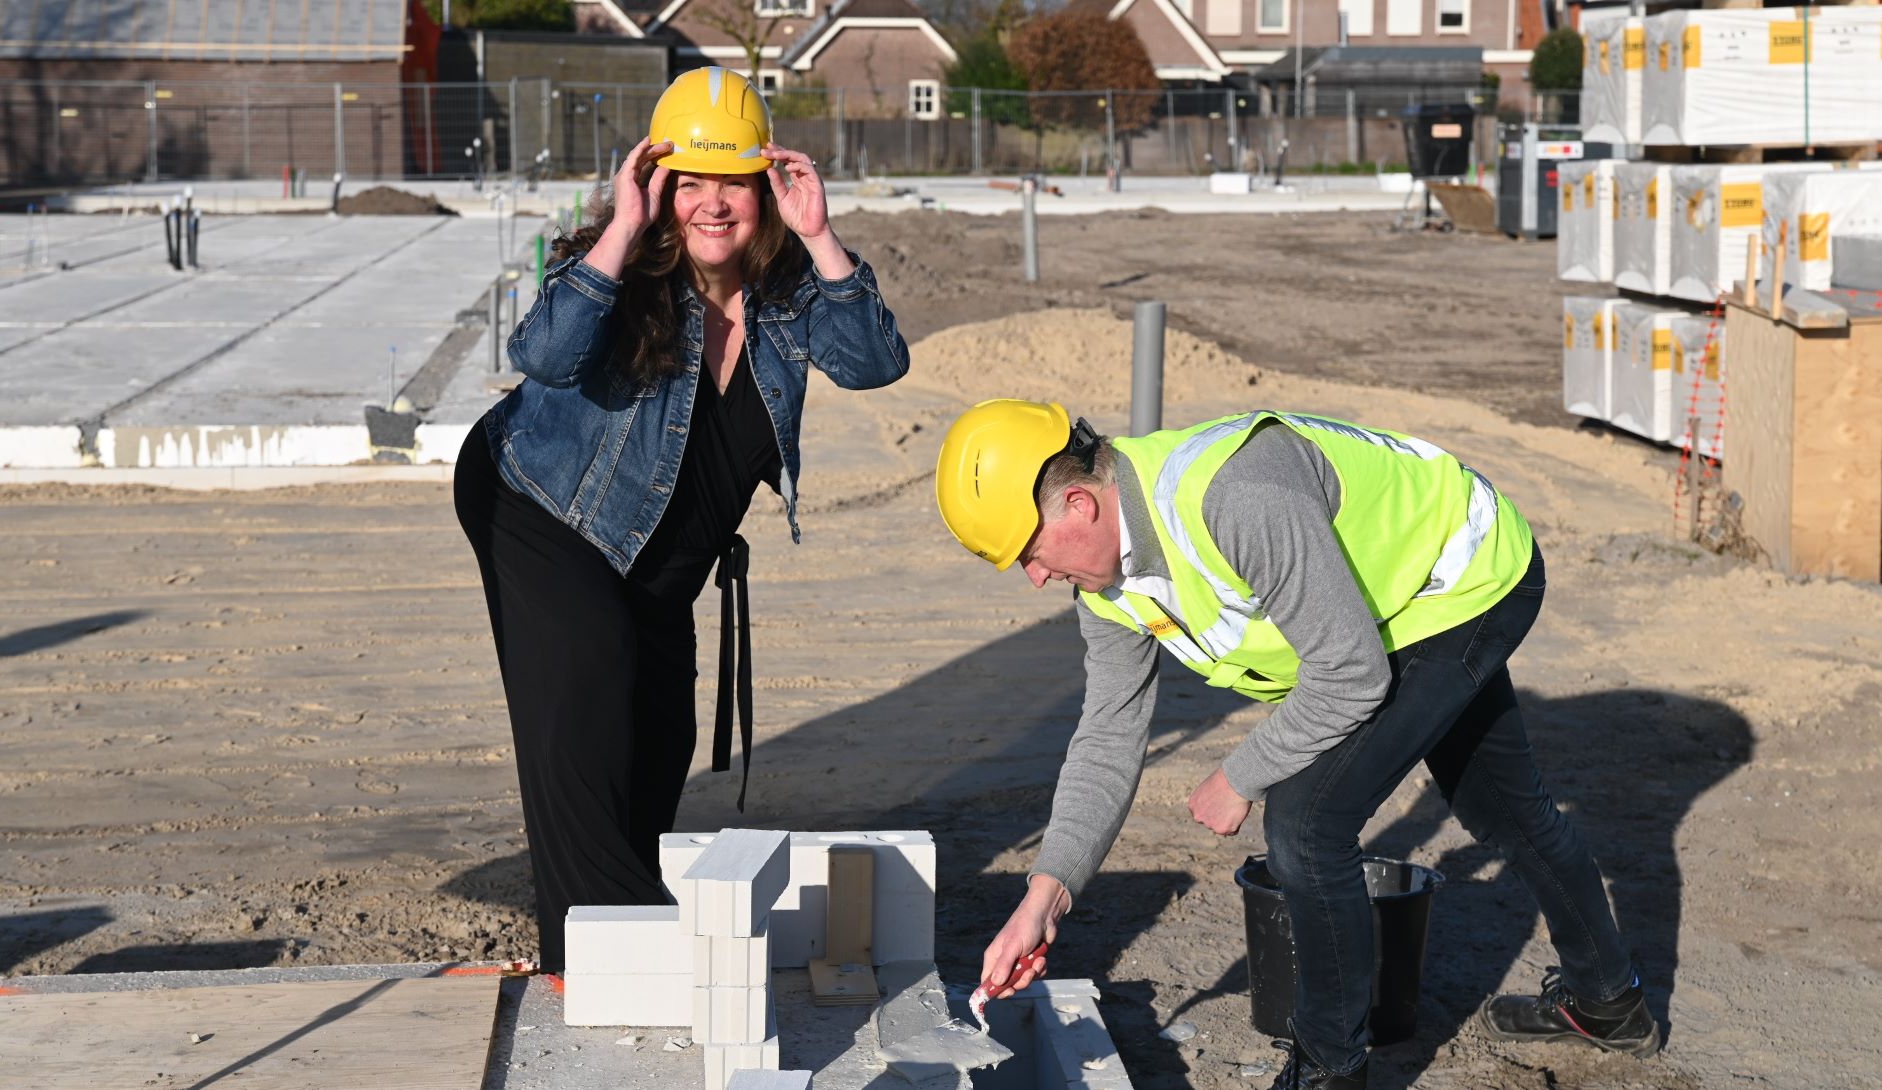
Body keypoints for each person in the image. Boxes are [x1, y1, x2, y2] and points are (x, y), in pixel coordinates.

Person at [933, 401, 1657, 1089]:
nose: (1034, 577)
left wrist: (1239, 775)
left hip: (1462, 581)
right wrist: (1047, 893)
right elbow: (1108, 735)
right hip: (1382, 616)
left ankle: (1330, 1068)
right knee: (1502, 807)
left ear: (1079, 506)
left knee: (1307, 825)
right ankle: (1607, 1001)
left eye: (1027, 552)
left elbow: (1348, 676)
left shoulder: (1236, 498)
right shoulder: (1106, 587)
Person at [454, 67, 908, 973]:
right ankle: (600, 957)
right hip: (538, 506)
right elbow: (539, 354)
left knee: (660, 735)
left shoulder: (789, 294)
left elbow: (876, 363)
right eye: (688, 182)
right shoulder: (622, 271)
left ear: (765, 187)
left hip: (661, 558)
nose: (711, 206)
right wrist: (622, 228)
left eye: (730, 182)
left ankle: (617, 912)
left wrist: (822, 238)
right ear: (658, 187)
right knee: (588, 687)